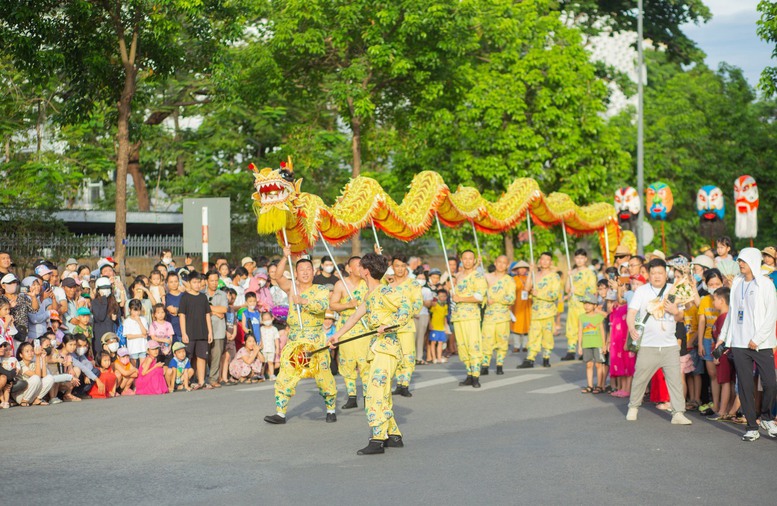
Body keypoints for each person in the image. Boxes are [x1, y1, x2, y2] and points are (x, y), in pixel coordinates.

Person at [328, 252, 411, 455]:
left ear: (366, 271)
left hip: (388, 348)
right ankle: (394, 435)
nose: (356, 269)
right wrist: (337, 335)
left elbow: (407, 309)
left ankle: (377, 438)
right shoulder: (370, 295)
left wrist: (389, 325)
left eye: (359, 266)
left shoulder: (386, 292)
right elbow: (355, 317)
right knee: (380, 391)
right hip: (376, 348)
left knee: (374, 393)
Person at [264, 246, 337, 424]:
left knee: (323, 375)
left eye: (308, 269)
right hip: (295, 339)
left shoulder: (321, 289)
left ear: (314, 272)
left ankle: (331, 409)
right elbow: (277, 276)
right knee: (286, 375)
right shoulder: (291, 287)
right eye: (301, 269)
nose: (305, 272)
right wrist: (284, 257)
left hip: (315, 340)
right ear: (295, 272)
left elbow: (320, 307)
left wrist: (303, 301)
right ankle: (280, 413)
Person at [715, 247, 777, 441]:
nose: (740, 263)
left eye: (744, 260)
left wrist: (757, 339)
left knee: (770, 383)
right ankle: (752, 426)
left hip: (761, 343)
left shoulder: (766, 284)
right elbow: (733, 313)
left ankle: (766, 417)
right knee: (745, 386)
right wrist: (723, 337)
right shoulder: (738, 283)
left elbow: (771, 314)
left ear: (753, 261)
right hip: (740, 343)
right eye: (739, 260)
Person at [625, 258, 692, 425]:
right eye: (653, 273)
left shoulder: (673, 289)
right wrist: (631, 328)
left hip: (669, 345)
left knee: (675, 381)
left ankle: (678, 413)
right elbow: (631, 313)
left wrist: (675, 310)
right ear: (648, 274)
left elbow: (681, 316)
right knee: (640, 378)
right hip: (648, 345)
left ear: (665, 274)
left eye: (660, 273)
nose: (656, 276)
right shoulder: (641, 291)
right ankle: (633, 407)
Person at [330, 256, 369, 408]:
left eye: (362, 266)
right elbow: (333, 305)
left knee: (365, 362)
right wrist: (347, 305)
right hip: (346, 326)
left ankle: (367, 395)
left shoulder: (367, 282)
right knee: (347, 362)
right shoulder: (341, 284)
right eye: (357, 265)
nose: (360, 268)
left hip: (364, 326)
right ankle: (351, 395)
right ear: (349, 268)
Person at [451, 250, 487, 387]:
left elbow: (479, 297)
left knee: (473, 345)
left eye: (470, 258)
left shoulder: (478, 276)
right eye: (464, 258)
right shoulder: (458, 276)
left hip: (471, 316)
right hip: (458, 316)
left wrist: (461, 298)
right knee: (462, 346)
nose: (467, 261)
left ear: (474, 261)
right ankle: (469, 374)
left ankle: (476, 376)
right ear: (461, 259)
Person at [519, 252, 561, 369]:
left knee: (547, 335)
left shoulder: (554, 276)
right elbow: (527, 288)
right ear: (539, 261)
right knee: (533, 335)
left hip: (548, 310)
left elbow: (555, 294)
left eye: (547, 259)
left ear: (550, 262)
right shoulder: (535, 275)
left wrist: (540, 293)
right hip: (536, 310)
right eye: (542, 259)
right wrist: (530, 272)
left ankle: (546, 357)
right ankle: (530, 358)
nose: (545, 261)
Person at [389, 255, 423, 397]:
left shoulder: (413, 284)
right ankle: (399, 383)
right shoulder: (387, 285)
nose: (400, 269)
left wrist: (406, 312)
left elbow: (418, 303)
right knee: (395, 356)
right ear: (392, 267)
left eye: (403, 266)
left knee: (408, 355)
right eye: (397, 266)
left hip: (407, 325)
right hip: (390, 326)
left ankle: (405, 384)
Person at [481, 255, 516, 375]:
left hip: (503, 316)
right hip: (489, 315)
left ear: (507, 265)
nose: (501, 264)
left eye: (504, 263)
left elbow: (511, 298)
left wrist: (495, 299)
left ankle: (499, 364)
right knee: (487, 340)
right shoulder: (487, 277)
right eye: (499, 262)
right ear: (495, 263)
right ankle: (485, 364)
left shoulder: (509, 280)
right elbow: (479, 293)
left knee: (502, 340)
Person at [178, 273, 213, 390]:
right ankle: (186, 381)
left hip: (202, 332)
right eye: (194, 282)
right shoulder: (185, 297)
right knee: (188, 357)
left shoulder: (203, 297)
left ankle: (201, 381)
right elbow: (182, 315)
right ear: (189, 283)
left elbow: (207, 315)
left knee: (202, 357)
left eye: (199, 282)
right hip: (189, 332)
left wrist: (210, 332)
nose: (197, 285)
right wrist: (183, 333)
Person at [563, 249, 598, 361]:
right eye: (577, 258)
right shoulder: (572, 272)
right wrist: (569, 277)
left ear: (585, 259)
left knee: (584, 328)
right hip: (573, 305)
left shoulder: (590, 273)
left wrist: (577, 290)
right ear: (574, 259)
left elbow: (591, 289)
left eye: (582, 258)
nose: (579, 260)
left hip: (583, 306)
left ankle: (584, 350)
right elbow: (567, 289)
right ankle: (571, 351)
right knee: (571, 327)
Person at [697, 269, 723, 415]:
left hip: (722, 340)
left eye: (717, 283)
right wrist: (700, 343)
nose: (714, 286)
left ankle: (726, 405)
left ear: (722, 282)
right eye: (711, 284)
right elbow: (702, 321)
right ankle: (716, 404)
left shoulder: (727, 296)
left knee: (725, 375)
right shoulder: (704, 300)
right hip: (708, 340)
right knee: (712, 375)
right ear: (706, 285)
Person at [577, 297, 607, 393]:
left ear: (595, 305)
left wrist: (604, 345)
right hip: (586, 344)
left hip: (597, 344)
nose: (586, 306)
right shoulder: (581, 317)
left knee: (599, 364)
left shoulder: (599, 317)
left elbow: (602, 332)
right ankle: (589, 385)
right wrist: (580, 346)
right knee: (589, 364)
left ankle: (599, 385)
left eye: (589, 304)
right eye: (585, 304)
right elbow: (580, 332)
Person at [204, 271, 228, 388]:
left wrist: (208, 309)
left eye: (216, 280)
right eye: (211, 280)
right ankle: (203, 377)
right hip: (204, 330)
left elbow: (223, 309)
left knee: (216, 355)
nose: (214, 283)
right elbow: (200, 310)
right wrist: (215, 312)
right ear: (206, 281)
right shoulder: (202, 294)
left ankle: (213, 378)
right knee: (205, 355)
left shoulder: (222, 294)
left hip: (218, 330)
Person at [15, 341, 54, 406]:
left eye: (32, 351)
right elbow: (37, 376)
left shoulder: (33, 363)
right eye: (27, 351)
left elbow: (44, 375)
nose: (30, 353)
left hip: (32, 394)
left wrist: (43, 358)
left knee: (50, 378)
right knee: (36, 378)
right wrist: (38, 357)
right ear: (21, 355)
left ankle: (36, 399)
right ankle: (24, 401)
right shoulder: (20, 364)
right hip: (20, 395)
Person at [91, 277, 120, 357]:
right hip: (99, 335)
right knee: (101, 356)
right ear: (98, 290)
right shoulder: (95, 302)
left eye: (107, 288)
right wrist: (104, 300)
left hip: (111, 334)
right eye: (103, 288)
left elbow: (119, 319)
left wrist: (115, 319)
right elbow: (100, 317)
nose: (105, 290)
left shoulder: (113, 301)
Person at [509, 261, 531, 353]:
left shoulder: (530, 278)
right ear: (516, 270)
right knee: (516, 326)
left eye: (524, 268)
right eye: (520, 268)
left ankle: (526, 345)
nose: (522, 270)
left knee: (527, 326)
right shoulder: (512, 279)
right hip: (516, 305)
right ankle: (516, 345)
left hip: (527, 305)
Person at [414, 271, 433, 365]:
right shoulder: (411, 288)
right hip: (412, 315)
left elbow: (429, 304)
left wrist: (420, 298)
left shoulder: (427, 291)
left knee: (421, 337)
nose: (420, 280)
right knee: (412, 337)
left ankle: (419, 357)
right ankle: (410, 357)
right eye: (419, 278)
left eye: (422, 279)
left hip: (423, 315)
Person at [123, 299, 148, 365]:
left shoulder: (143, 319)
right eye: (135, 310)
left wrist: (139, 321)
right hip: (133, 349)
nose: (137, 313)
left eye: (138, 310)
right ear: (129, 310)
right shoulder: (127, 321)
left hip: (143, 347)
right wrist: (140, 335)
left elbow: (145, 332)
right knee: (134, 367)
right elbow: (129, 336)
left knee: (142, 367)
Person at [165, 272, 184, 343]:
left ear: (179, 282)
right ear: (167, 283)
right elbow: (172, 310)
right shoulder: (167, 297)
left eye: (176, 281)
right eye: (171, 282)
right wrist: (183, 310)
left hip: (185, 329)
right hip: (173, 330)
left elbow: (189, 309)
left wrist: (178, 310)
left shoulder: (184, 295)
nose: (174, 284)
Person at [259, 312, 279, 380]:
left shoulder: (274, 329)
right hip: (263, 349)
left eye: (268, 319)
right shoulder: (261, 329)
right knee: (263, 363)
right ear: (262, 320)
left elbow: (276, 339)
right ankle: (262, 375)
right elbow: (260, 337)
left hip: (271, 349)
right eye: (265, 319)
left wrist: (277, 348)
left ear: (272, 318)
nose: (267, 321)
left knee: (270, 362)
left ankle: (271, 374)